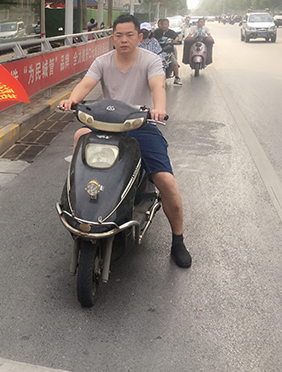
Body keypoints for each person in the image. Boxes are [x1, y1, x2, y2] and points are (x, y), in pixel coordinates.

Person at [59, 14, 192, 268]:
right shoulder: (102, 61)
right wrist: (71, 100)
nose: (124, 40)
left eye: (129, 35)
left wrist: (158, 109)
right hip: (106, 124)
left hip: (141, 125)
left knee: (166, 181)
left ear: (139, 37)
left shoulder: (151, 61)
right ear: (112, 38)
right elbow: (86, 83)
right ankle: (78, 201)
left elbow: (158, 86)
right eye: (118, 35)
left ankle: (178, 240)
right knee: (79, 137)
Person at [152, 18, 182, 85]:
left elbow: (177, 37)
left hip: (168, 51)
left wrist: (175, 40)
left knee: (175, 63)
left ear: (168, 25)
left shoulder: (171, 32)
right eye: (163, 24)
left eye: (166, 24)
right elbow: (151, 37)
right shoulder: (157, 32)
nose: (164, 26)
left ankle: (177, 78)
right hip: (158, 51)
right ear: (160, 25)